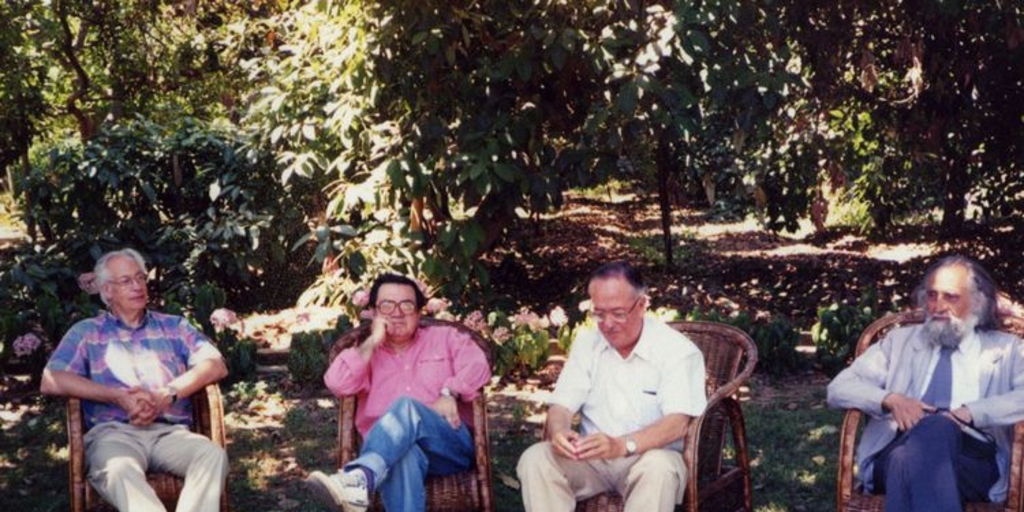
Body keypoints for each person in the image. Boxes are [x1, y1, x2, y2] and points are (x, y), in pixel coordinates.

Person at [827, 255, 1024, 511]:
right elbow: (839, 388)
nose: (938, 306)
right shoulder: (898, 342)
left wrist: (972, 413)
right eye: (932, 295)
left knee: (912, 453)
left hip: (973, 461)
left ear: (978, 302)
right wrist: (891, 400)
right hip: (897, 445)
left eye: (951, 297)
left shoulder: (1006, 349)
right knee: (914, 448)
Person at [40, 248, 229, 512]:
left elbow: (216, 364)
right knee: (117, 469)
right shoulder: (86, 332)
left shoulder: (174, 326)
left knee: (211, 455)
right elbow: (51, 379)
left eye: (140, 278)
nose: (138, 286)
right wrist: (117, 397)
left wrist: (167, 394)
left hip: (169, 432)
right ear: (107, 291)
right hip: (114, 434)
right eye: (126, 281)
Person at [517, 261, 707, 512]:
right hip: (591, 459)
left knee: (659, 468)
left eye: (618, 313)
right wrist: (560, 431)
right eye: (599, 313)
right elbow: (561, 404)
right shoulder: (587, 343)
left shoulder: (677, 352)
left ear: (641, 305)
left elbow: (677, 423)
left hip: (648, 457)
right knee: (536, 458)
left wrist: (621, 445)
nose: (607, 324)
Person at [304, 273, 491, 512]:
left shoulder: (446, 338)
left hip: (448, 445)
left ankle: (360, 478)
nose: (397, 312)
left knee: (407, 406)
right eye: (386, 305)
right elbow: (337, 383)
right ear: (373, 312)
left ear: (419, 312)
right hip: (389, 452)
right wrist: (372, 341)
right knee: (404, 455)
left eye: (407, 305)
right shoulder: (364, 350)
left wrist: (450, 391)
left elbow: (479, 365)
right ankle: (368, 472)